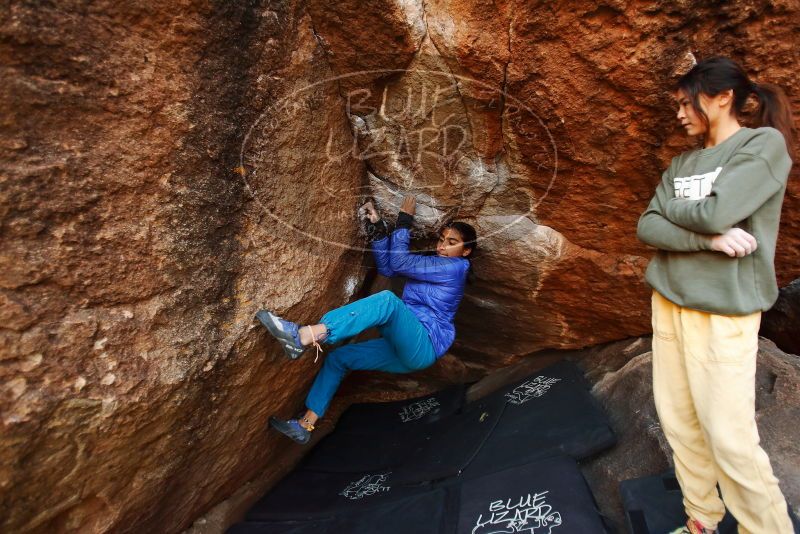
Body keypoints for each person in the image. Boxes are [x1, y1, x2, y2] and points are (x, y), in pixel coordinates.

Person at [637, 56, 795, 534]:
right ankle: (702, 517)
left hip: (724, 309)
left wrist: (685, 214)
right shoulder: (682, 162)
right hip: (669, 299)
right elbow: (648, 225)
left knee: (729, 436)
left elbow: (718, 210)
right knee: (680, 421)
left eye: (687, 103)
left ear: (722, 97)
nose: (680, 114)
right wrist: (706, 238)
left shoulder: (762, 145)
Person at [256, 194, 477, 444]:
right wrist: (378, 229)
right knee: (339, 359)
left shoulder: (457, 268)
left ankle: (303, 336)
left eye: (452, 242)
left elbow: (401, 261)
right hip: (403, 348)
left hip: (423, 344)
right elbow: (390, 268)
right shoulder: (435, 264)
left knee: (388, 301)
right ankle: (305, 425)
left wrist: (405, 220)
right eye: (441, 239)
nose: (442, 246)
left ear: (465, 251)